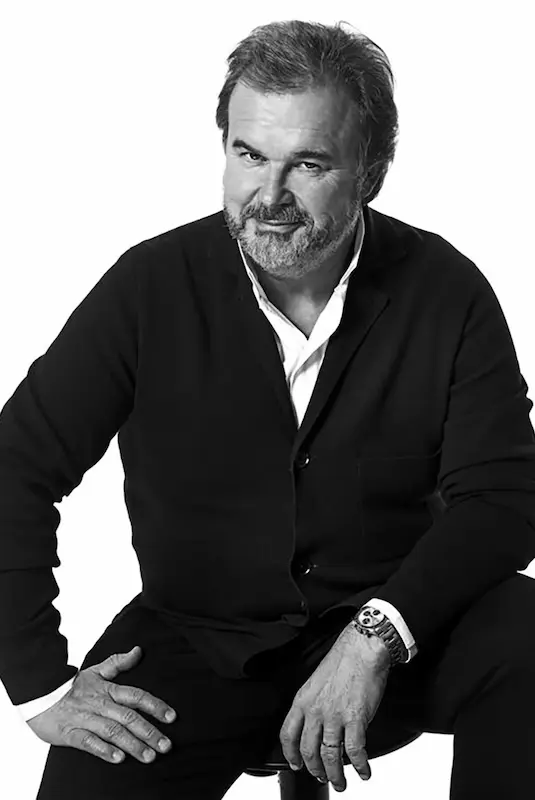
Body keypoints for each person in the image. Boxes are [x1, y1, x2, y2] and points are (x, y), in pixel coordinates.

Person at [0, 18, 534, 800]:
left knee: (528, 639)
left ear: (371, 171)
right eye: (248, 155)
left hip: (395, 636)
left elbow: (503, 498)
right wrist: (40, 686)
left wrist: (375, 635)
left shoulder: (446, 290)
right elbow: (15, 468)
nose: (269, 197)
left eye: (307, 164)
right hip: (195, 642)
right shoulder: (149, 287)